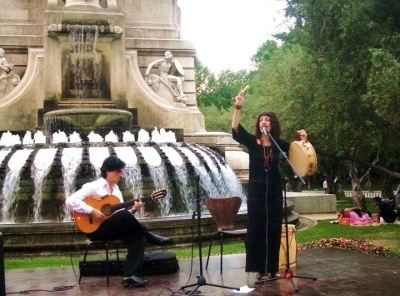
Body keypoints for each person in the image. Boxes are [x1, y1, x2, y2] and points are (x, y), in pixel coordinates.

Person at [231, 89, 305, 281]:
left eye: (267, 120)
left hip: (273, 191)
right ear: (258, 124)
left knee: (273, 229)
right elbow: (235, 130)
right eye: (261, 120)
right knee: (257, 229)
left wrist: (304, 141)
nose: (264, 122)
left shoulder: (279, 144)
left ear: (272, 125)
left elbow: (298, 155)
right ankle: (260, 269)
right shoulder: (251, 141)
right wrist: (238, 107)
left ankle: (272, 268)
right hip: (256, 192)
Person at [66, 155, 172, 287]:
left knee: (136, 236)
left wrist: (133, 210)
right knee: (132, 225)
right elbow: (70, 200)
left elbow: (119, 217)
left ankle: (131, 276)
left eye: (121, 171)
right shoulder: (94, 186)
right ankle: (150, 236)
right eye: (118, 171)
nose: (121, 174)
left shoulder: (116, 191)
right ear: (107, 171)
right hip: (95, 229)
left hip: (111, 228)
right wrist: (92, 211)